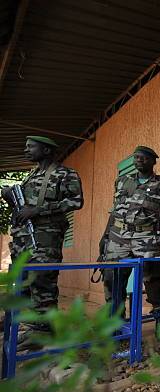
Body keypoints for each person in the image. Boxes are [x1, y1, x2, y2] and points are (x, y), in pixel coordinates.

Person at [1, 136, 83, 347]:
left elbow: (76, 201)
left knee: (42, 280)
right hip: (24, 238)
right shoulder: (31, 176)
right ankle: (28, 323)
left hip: (46, 237)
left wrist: (39, 210)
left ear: (46, 150)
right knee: (24, 280)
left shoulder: (65, 174)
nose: (26, 150)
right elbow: (26, 209)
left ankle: (44, 331)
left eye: (31, 147)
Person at [99, 146, 160, 331]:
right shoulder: (122, 181)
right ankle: (116, 326)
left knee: (152, 280)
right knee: (112, 279)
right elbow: (115, 212)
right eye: (136, 157)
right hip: (118, 238)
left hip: (147, 237)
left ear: (153, 161)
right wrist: (105, 236)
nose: (138, 160)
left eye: (143, 158)